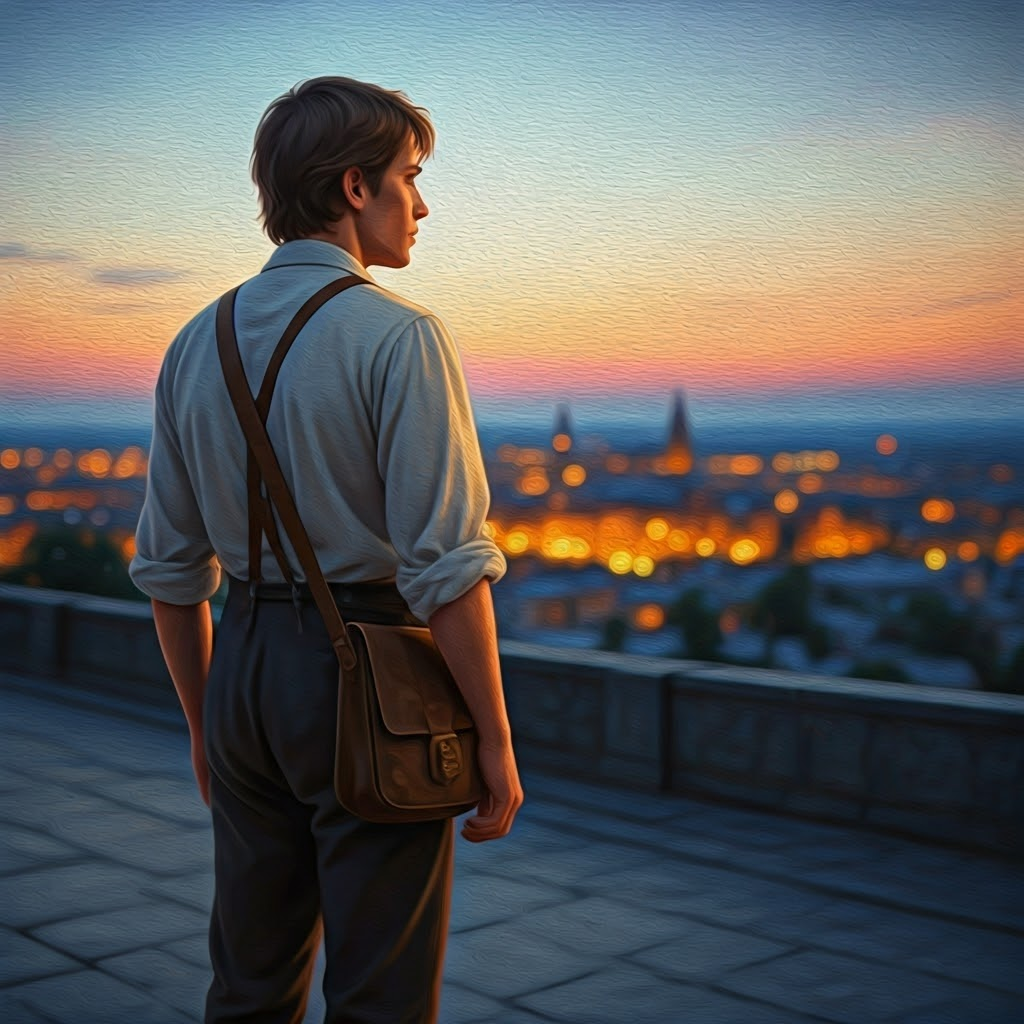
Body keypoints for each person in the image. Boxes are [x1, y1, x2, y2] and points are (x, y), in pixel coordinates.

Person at [130, 76, 523, 1024]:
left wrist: (203, 723)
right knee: (381, 989)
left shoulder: (194, 342)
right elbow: (446, 568)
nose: (421, 206)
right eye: (410, 177)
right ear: (355, 187)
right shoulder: (400, 337)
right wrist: (496, 742)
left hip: (242, 677)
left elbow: (172, 572)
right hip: (371, 667)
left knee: (251, 980)